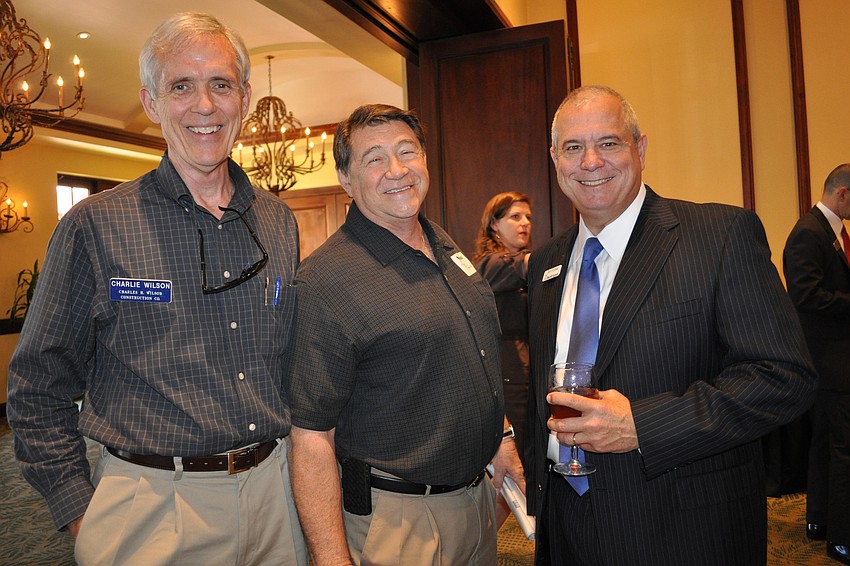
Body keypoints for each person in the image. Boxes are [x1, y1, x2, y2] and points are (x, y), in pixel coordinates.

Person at [6, 13, 306, 566]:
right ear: (151, 102)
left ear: (243, 97)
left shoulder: (278, 221)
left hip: (276, 496)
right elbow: (37, 386)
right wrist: (80, 513)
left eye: (220, 84)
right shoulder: (95, 226)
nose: (204, 106)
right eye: (181, 86)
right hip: (152, 506)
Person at [525, 85, 817, 565]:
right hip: (567, 528)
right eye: (573, 147)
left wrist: (642, 426)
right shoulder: (546, 263)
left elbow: (784, 377)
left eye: (609, 143)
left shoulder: (719, 236)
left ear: (640, 149)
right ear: (555, 159)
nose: (590, 161)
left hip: (681, 531)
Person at [286, 104, 525, 566]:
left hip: (476, 503)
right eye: (374, 158)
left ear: (425, 160)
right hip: (400, 523)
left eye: (406, 151)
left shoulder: (442, 242)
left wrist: (502, 439)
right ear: (346, 178)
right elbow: (311, 436)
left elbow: (470, 356)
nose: (396, 170)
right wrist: (332, 559)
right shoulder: (325, 281)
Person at [783, 163, 850, 564]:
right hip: (829, 360)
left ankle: (819, 523)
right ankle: (843, 539)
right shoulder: (809, 232)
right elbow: (805, 296)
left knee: (826, 443)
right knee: (844, 449)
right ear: (842, 193)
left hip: (832, 360)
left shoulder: (828, 231)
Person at [473, 191, 533, 466]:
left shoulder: (522, 261)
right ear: (494, 224)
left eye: (528, 217)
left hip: (529, 370)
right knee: (516, 460)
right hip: (508, 373)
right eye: (515, 217)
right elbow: (523, 266)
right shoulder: (488, 264)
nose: (525, 223)